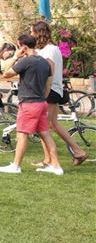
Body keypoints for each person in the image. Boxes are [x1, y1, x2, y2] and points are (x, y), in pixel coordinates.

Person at [0, 34, 63, 175]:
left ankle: (16, 166)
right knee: (45, 134)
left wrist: (15, 57)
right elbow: (49, 83)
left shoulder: (26, 61)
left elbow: (6, 73)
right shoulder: (45, 62)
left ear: (24, 47)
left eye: (19, 47)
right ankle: (56, 166)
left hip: (29, 103)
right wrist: (43, 98)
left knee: (22, 134)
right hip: (41, 102)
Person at [31, 20, 88, 165]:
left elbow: (48, 70)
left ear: (39, 33)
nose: (31, 34)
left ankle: (52, 159)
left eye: (32, 31)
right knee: (52, 124)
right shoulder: (49, 49)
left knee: (44, 126)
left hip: (49, 90)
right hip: (54, 89)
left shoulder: (49, 50)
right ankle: (76, 152)